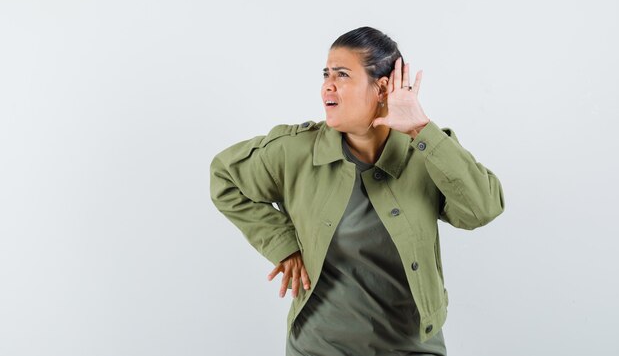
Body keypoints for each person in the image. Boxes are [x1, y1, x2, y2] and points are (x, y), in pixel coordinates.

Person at [210, 26, 505, 355]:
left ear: (381, 88)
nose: (327, 85)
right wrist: (283, 244)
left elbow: (483, 210)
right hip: (319, 347)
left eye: (342, 74)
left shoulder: (425, 152)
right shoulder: (295, 151)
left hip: (411, 346)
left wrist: (421, 128)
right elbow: (224, 177)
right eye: (326, 74)